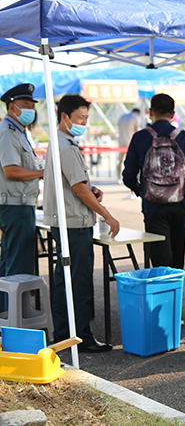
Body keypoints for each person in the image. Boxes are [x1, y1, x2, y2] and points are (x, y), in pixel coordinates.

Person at [43, 94, 120, 352]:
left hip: (64, 220)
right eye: (80, 118)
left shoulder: (58, 142)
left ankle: (63, 334)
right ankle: (82, 337)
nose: (84, 123)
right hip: (75, 223)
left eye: (87, 118)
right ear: (65, 116)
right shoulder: (66, 146)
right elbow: (79, 189)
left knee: (64, 280)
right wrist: (107, 214)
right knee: (79, 282)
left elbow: (77, 185)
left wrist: (90, 188)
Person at [122, 94, 185, 270]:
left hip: (154, 206)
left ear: (150, 112)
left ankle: (163, 287)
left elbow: (128, 175)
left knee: (160, 258)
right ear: (173, 113)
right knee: (178, 255)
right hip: (182, 203)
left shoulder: (140, 137)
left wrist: (142, 191)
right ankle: (176, 286)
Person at [0, 84, 44, 298]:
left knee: (9, 262)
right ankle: (14, 315)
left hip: (19, 204)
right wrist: (42, 173)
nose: (30, 110)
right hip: (15, 205)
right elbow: (11, 171)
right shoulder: (8, 133)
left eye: (32, 106)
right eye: (25, 105)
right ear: (12, 107)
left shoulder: (18, 132)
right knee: (18, 268)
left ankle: (5, 311)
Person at [117, 107, 139, 177]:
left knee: (120, 160)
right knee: (130, 161)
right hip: (130, 141)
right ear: (137, 113)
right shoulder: (135, 117)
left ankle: (118, 177)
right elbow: (136, 131)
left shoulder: (122, 117)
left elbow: (118, 127)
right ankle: (127, 176)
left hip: (121, 140)